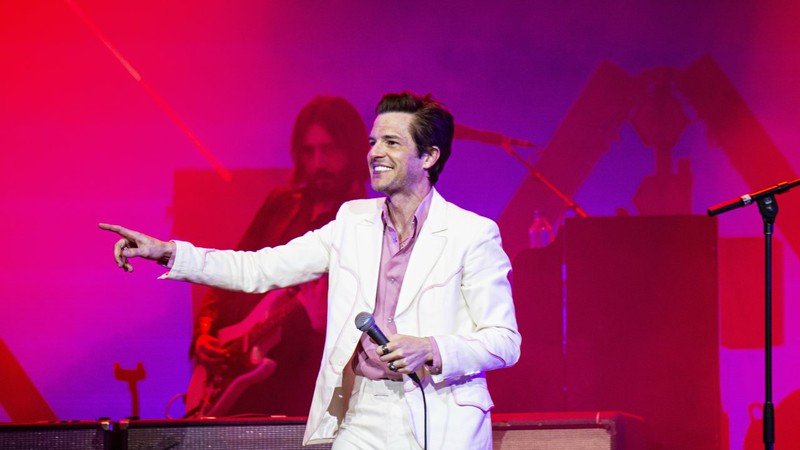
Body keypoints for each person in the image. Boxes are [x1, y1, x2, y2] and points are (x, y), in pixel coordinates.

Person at [100, 91, 521, 449]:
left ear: (428, 156)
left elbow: (504, 342)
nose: (374, 153)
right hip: (364, 412)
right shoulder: (352, 221)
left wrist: (431, 347)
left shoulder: (472, 233)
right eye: (373, 141)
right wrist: (167, 251)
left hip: (440, 416)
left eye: (391, 142)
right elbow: (258, 269)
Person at [185, 96, 368, 418]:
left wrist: (321, 327)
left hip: (302, 397)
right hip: (243, 387)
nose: (319, 162)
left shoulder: (363, 222)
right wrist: (204, 333)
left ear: (353, 152)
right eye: (309, 151)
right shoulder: (282, 205)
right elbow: (231, 272)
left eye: (330, 149)